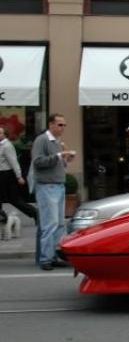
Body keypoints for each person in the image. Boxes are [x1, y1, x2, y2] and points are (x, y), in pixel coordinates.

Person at [31, 114, 75, 270]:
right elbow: (37, 162)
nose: (63, 128)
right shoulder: (42, 140)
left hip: (58, 185)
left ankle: (53, 255)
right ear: (51, 125)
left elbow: (57, 163)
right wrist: (58, 156)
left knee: (59, 224)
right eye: (60, 125)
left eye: (64, 125)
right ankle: (45, 258)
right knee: (50, 223)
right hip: (47, 186)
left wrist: (65, 160)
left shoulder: (57, 142)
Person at [0, 126, 38, 223]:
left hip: (7, 175)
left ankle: (35, 213)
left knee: (14, 199)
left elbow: (14, 162)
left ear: (4, 135)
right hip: (2, 175)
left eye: (0, 133)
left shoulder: (7, 146)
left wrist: (19, 176)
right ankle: (2, 217)